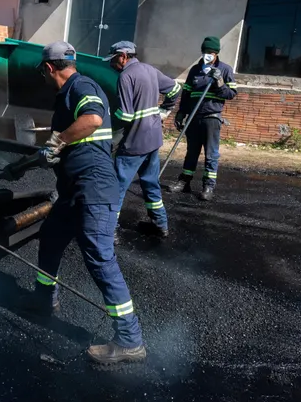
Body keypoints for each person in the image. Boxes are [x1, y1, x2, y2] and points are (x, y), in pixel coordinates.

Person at [31, 40, 146, 366]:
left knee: (99, 257)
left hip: (94, 191)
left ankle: (130, 340)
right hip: (74, 191)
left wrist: (57, 140)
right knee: (51, 237)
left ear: (50, 68)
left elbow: (93, 119)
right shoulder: (68, 95)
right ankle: (44, 298)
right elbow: (76, 141)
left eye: (44, 71)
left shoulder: (82, 86)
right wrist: (51, 155)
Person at [104, 41, 181, 239]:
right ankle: (160, 224)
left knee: (116, 186)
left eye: (113, 60)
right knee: (150, 182)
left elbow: (126, 116)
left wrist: (108, 120)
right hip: (153, 139)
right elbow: (174, 89)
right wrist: (164, 110)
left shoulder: (126, 77)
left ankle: (109, 231)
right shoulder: (150, 70)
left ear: (123, 56)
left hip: (135, 142)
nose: (111, 64)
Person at [167, 36, 237, 201]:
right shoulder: (195, 70)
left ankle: (208, 186)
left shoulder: (225, 70)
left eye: (211, 52)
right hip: (194, 117)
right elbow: (186, 94)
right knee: (191, 152)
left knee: (211, 154)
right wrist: (181, 112)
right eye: (205, 52)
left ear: (216, 53)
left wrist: (219, 82)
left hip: (211, 118)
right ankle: (184, 182)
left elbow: (231, 94)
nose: (208, 55)